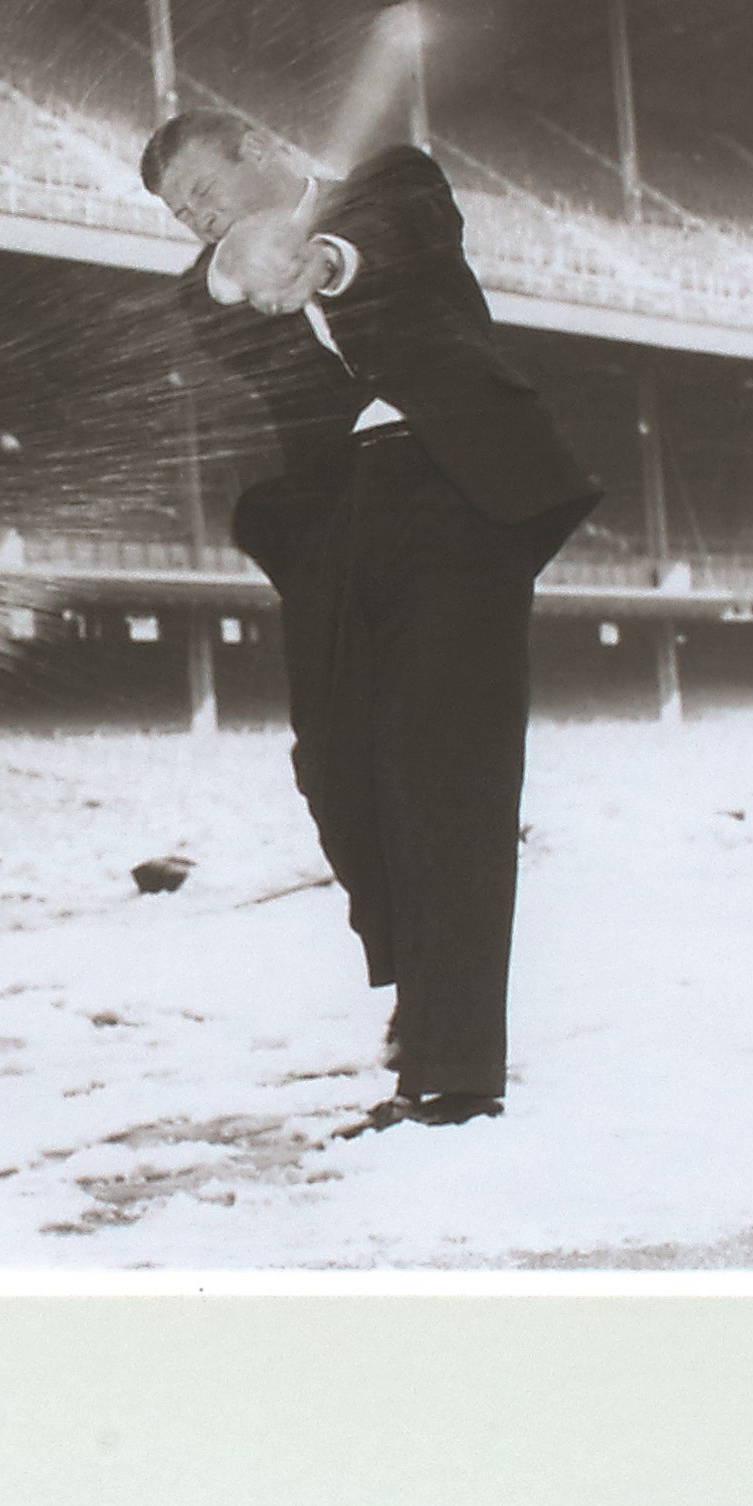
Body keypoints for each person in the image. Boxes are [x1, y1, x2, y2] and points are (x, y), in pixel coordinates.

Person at [142, 108, 596, 1130]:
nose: (198, 219)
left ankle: (454, 1075)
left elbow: (396, 235)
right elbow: (206, 304)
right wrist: (237, 261)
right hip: (335, 524)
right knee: (338, 770)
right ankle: (419, 986)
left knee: (451, 776)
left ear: (258, 150)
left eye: (207, 196)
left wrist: (326, 259)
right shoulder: (209, 286)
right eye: (182, 215)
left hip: (453, 491)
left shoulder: (393, 185)